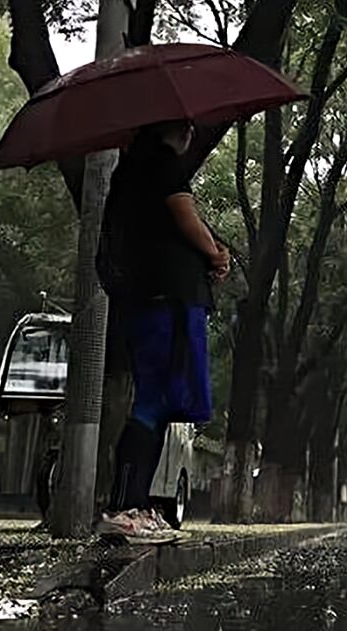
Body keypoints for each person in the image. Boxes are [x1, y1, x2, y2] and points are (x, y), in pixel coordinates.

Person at [95, 119, 229, 538]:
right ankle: (124, 507)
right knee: (152, 401)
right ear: (176, 130)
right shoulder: (163, 165)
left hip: (143, 297)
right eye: (187, 125)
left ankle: (136, 505)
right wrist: (215, 255)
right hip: (167, 302)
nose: (192, 131)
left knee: (155, 402)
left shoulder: (129, 171)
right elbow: (185, 218)